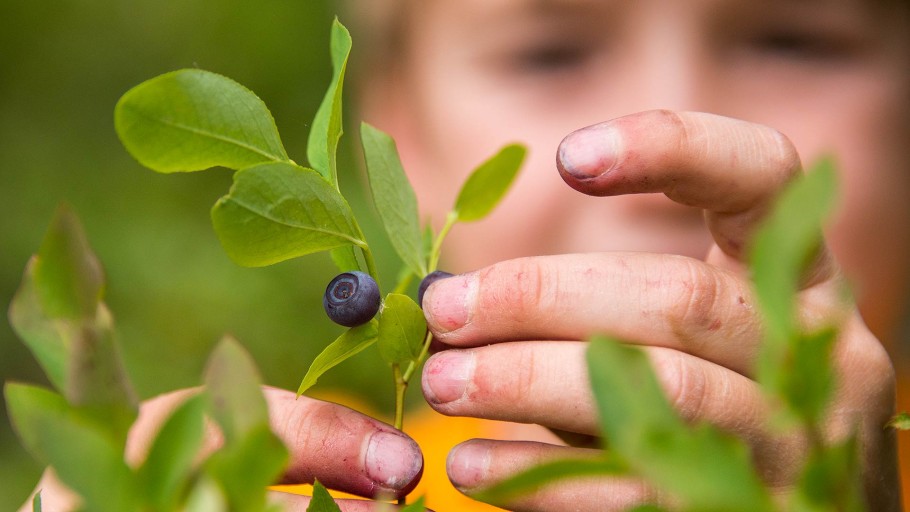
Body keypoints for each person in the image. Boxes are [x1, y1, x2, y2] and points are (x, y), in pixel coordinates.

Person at [23, 0, 910, 510]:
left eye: (793, 38)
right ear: (400, 139)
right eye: (548, 52)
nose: (670, 122)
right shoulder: (315, 486)